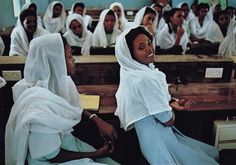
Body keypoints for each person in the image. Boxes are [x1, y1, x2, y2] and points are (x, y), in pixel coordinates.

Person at [5, 33, 120, 165]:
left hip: (63, 145)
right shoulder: (37, 102)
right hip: (50, 158)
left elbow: (70, 108)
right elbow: (51, 155)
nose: (74, 60)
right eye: (70, 56)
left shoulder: (61, 83)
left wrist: (96, 119)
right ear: (56, 61)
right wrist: (96, 154)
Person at [115, 26, 219, 165]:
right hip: (159, 140)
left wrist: (169, 103)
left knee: (205, 155)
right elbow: (168, 120)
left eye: (148, 42)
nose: (149, 48)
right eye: (141, 47)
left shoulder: (131, 72)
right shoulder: (146, 79)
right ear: (131, 55)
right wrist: (170, 109)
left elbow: (149, 104)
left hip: (151, 137)